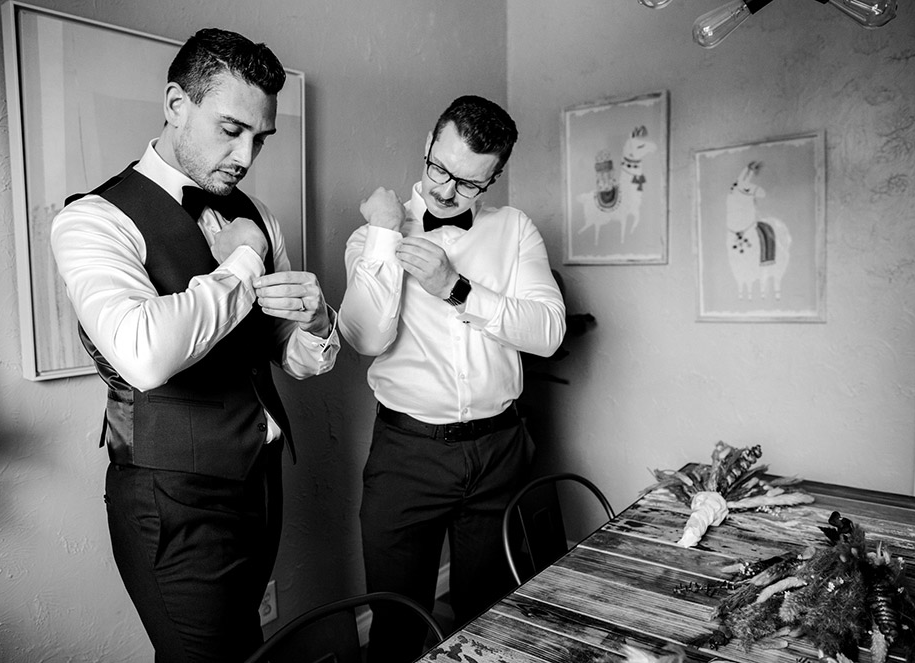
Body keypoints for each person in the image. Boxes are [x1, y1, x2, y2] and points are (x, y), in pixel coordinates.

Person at [50, 28, 339, 663]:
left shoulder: (257, 215)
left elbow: (289, 354)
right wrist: (242, 258)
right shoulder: (93, 220)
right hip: (171, 496)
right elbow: (145, 354)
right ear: (177, 103)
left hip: (260, 480)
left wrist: (316, 322)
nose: (245, 155)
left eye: (259, 138)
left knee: (244, 646)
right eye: (230, 129)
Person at [338, 95, 566, 662]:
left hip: (500, 452)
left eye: (468, 184)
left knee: (491, 617)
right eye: (440, 168)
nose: (445, 190)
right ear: (427, 147)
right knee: (395, 624)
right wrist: (389, 235)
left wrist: (457, 289)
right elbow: (365, 338)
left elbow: (549, 331)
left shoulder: (514, 231)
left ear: (493, 180)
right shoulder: (373, 237)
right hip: (407, 454)